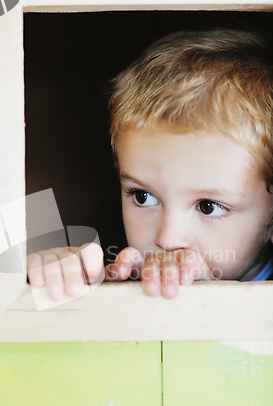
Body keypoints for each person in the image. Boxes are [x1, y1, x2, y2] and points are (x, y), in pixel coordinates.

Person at [27, 27, 273, 300]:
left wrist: (210, 298)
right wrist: (73, 285)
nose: (167, 239)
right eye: (143, 197)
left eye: (208, 206)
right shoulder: (124, 271)